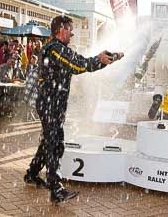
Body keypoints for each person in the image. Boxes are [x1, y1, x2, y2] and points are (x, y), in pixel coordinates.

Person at [23, 15, 123, 203]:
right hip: (50, 104)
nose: (73, 33)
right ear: (61, 29)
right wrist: (100, 60)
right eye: (70, 29)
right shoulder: (55, 49)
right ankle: (56, 188)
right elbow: (78, 65)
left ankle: (32, 174)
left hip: (52, 103)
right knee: (55, 143)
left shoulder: (55, 48)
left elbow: (79, 62)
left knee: (48, 140)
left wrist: (106, 59)